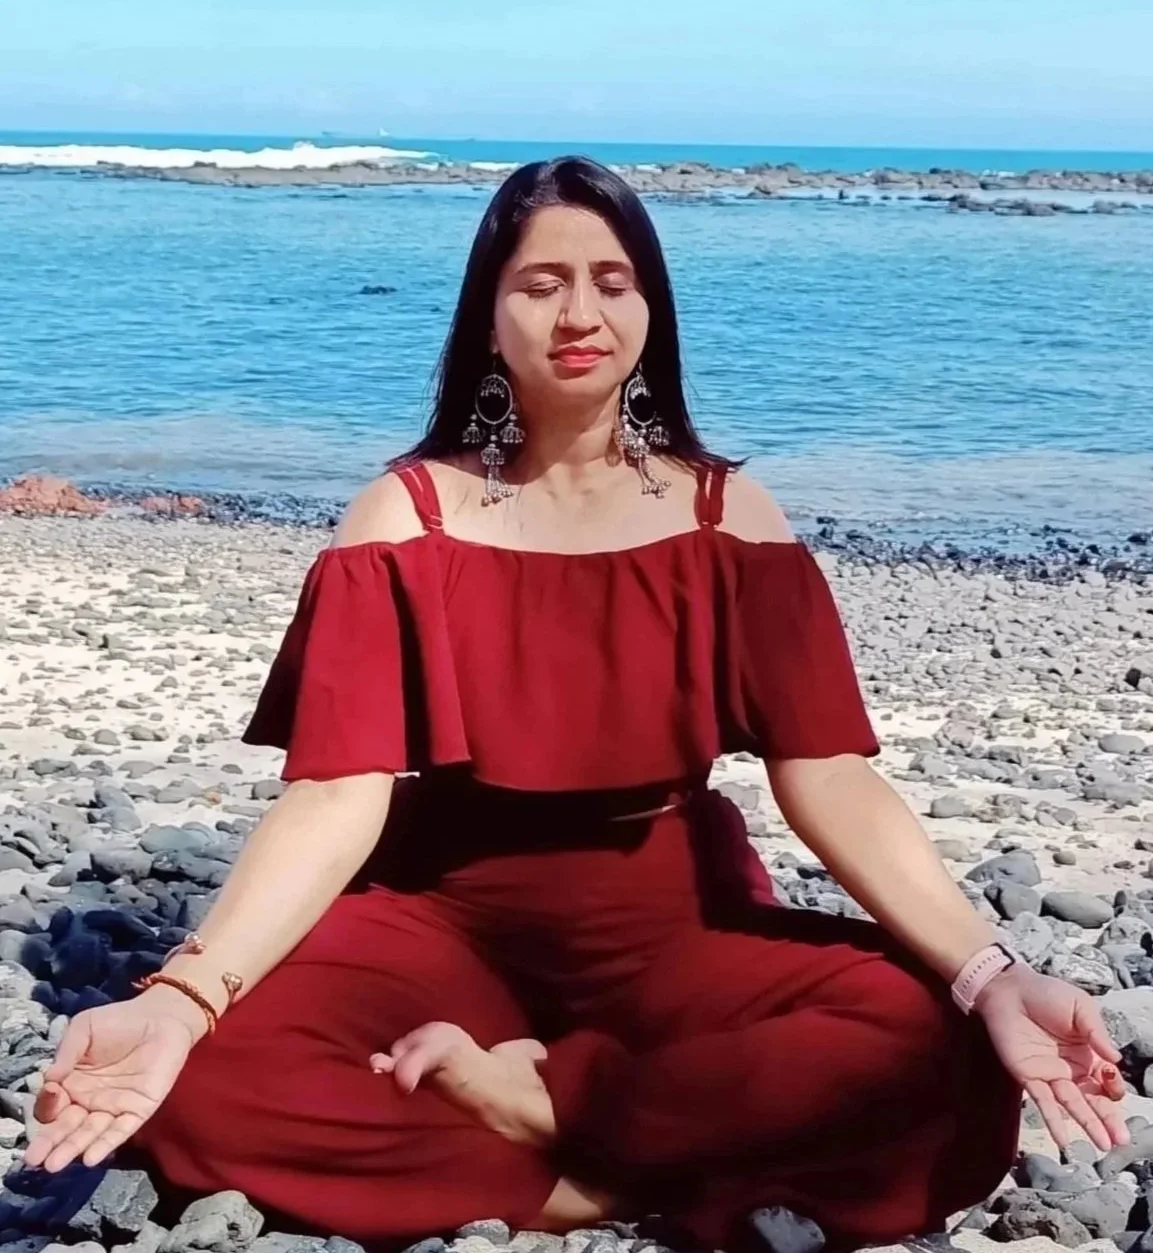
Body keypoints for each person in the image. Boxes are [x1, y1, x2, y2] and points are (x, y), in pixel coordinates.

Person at [26, 157, 1129, 1253]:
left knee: (930, 1045)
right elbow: (335, 796)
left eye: (612, 279)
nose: (579, 311)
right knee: (201, 1076)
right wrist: (183, 997)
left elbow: (828, 774)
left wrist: (991, 973)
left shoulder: (724, 517)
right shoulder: (405, 518)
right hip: (433, 912)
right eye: (540, 282)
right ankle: (614, 1176)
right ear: (488, 313)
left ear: (650, 305)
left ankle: (544, 1113)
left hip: (670, 920)